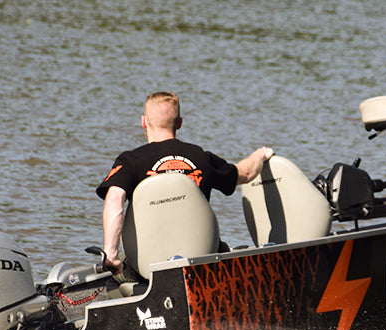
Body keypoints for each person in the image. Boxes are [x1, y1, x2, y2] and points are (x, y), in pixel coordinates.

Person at [96, 91, 274, 274]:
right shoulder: (201, 158)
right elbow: (246, 173)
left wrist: (110, 253)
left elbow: (115, 198)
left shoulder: (130, 161)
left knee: (115, 274)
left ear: (143, 122)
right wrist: (259, 155)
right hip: (202, 262)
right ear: (179, 123)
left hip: (147, 268)